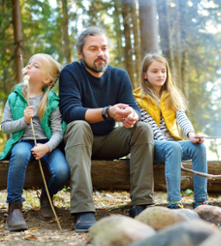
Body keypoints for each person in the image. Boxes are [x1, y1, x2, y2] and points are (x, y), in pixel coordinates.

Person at [59, 27, 154, 231]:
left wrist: (132, 116)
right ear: (80, 53)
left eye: (104, 48)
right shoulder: (70, 72)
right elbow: (70, 112)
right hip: (79, 143)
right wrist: (107, 112)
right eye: (93, 48)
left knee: (143, 128)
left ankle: (141, 205)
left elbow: (133, 107)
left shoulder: (119, 76)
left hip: (109, 141)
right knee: (78, 125)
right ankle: (83, 210)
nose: (100, 53)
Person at [0, 53, 70, 231]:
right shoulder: (14, 97)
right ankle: (14, 207)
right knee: (20, 154)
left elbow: (57, 132)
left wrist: (46, 147)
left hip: (47, 143)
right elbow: (5, 126)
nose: (29, 66)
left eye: (36, 66)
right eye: (29, 64)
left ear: (47, 78)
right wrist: (24, 121)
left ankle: (46, 197)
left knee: (62, 171)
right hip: (23, 140)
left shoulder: (52, 101)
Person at [133, 54, 208, 209]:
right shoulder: (138, 98)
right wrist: (174, 153)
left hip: (173, 146)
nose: (160, 75)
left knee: (199, 147)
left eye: (163, 71)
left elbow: (182, 118)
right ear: (145, 75)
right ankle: (174, 201)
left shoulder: (172, 95)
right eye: (154, 71)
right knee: (173, 147)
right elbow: (152, 127)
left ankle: (201, 200)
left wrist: (192, 135)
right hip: (152, 146)